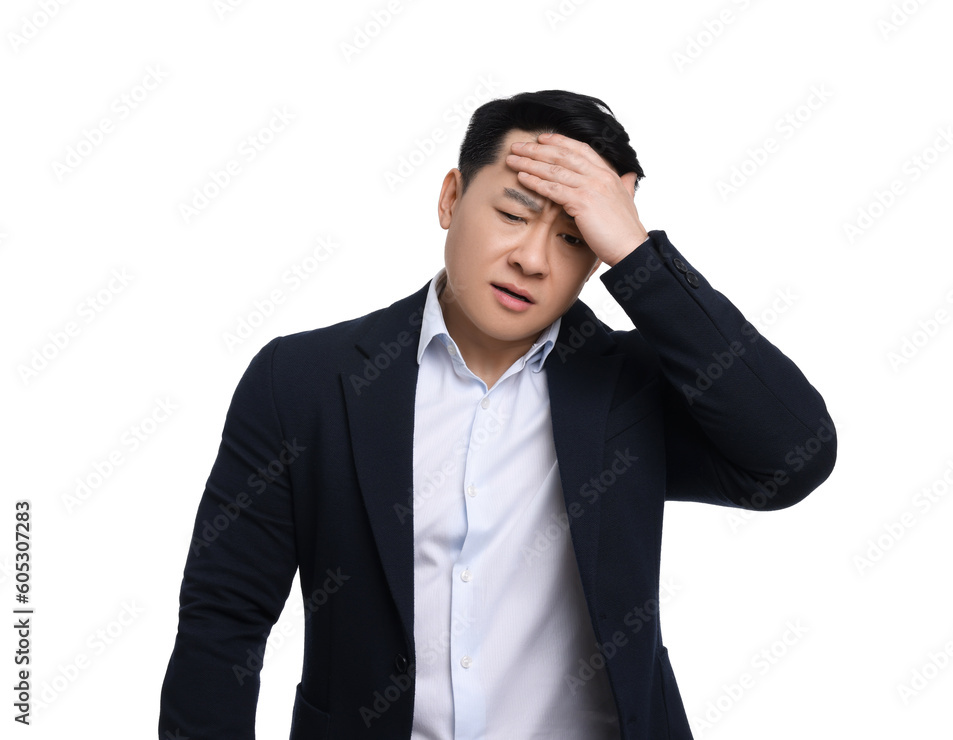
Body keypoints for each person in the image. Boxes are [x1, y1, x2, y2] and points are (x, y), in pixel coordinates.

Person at [158, 89, 837, 739]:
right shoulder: (302, 381)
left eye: (575, 240)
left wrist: (637, 254)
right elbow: (225, 622)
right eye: (512, 215)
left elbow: (793, 457)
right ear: (451, 198)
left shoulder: (629, 391)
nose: (532, 259)